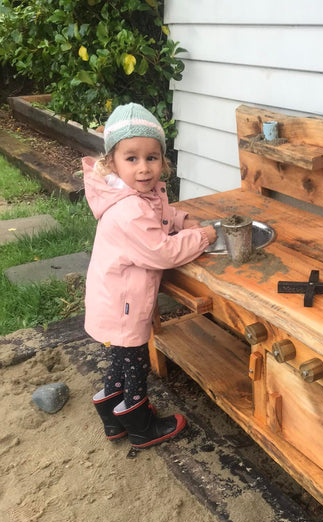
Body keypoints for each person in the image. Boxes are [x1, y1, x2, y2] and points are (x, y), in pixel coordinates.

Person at [82, 103, 217, 448]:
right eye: (132, 158)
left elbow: (160, 213)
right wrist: (203, 236)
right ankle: (141, 427)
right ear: (112, 162)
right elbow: (162, 251)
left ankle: (113, 417)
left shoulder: (138, 194)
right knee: (135, 363)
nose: (144, 169)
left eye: (152, 158)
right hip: (124, 305)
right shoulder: (128, 209)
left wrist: (183, 220)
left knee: (120, 361)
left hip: (113, 298)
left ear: (162, 159)